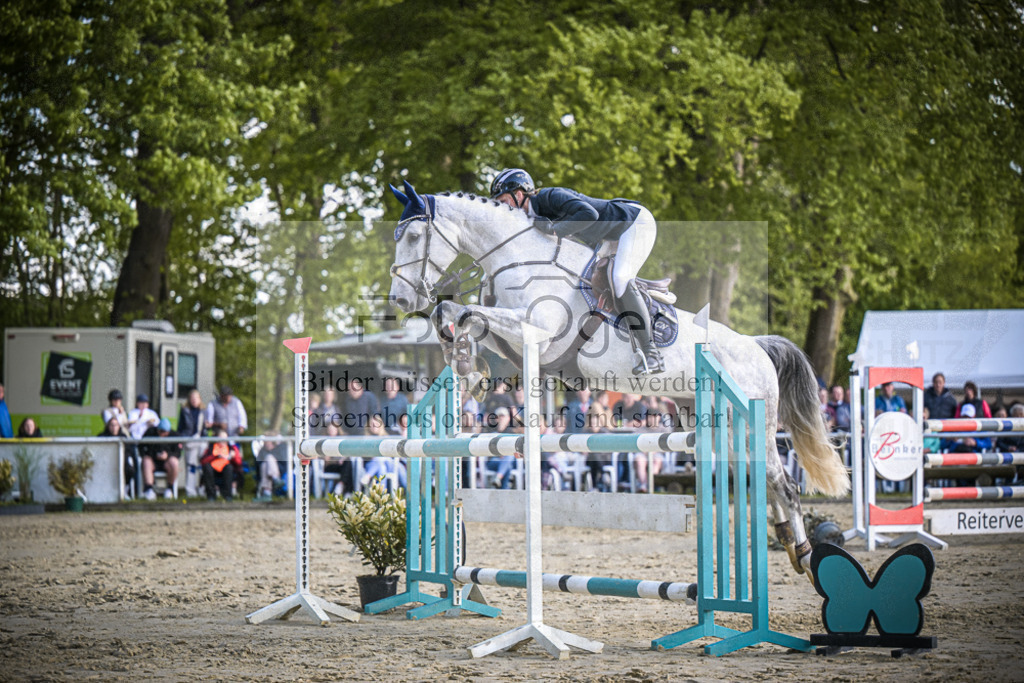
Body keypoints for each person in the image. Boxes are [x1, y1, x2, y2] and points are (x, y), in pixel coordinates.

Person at [490, 168, 663, 375]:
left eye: (502, 201)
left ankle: (652, 354)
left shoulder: (550, 197)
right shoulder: (529, 219)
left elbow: (590, 214)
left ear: (518, 195)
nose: (501, 208)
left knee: (620, 278)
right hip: (608, 237)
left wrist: (555, 229)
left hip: (633, 223)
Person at [359, 415, 408, 490]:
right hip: (371, 464)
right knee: (381, 467)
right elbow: (363, 456)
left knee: (381, 459)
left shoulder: (387, 437)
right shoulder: (365, 439)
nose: (375, 426)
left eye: (377, 424)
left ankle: (368, 476)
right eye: (372, 424)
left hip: (388, 463)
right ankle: (382, 495)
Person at [140, 418, 181, 500]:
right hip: (152, 460)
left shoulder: (175, 436)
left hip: (166, 462)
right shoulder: (150, 432)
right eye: (160, 432)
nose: (162, 434)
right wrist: (153, 455)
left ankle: (170, 488)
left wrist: (168, 455)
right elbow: (141, 447)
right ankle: (149, 489)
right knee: (146, 461)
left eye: (164, 432)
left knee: (174, 462)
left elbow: (178, 452)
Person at [200, 429, 241, 501]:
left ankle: (228, 495)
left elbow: (238, 463)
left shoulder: (231, 448)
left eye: (225, 438)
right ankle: (211, 496)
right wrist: (216, 455)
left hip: (226, 469)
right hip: (213, 469)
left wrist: (233, 456)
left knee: (229, 468)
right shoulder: (211, 447)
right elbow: (203, 461)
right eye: (221, 438)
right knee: (207, 467)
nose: (223, 440)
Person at [178, 389, 206, 497]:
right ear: (189, 400)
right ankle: (190, 491)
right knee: (191, 465)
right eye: (192, 398)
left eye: (196, 398)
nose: (194, 400)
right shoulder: (184, 410)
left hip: (201, 439)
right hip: (189, 440)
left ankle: (203, 488)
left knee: (205, 462)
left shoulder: (204, 411)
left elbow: (205, 428)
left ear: (200, 399)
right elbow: (180, 427)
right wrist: (180, 440)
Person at [98, 416, 135, 497]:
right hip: (106, 463)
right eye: (112, 425)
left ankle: (125, 490)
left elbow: (129, 451)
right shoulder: (102, 437)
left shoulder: (123, 437)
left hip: (122, 462)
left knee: (129, 470)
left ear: (119, 426)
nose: (114, 428)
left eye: (116, 425)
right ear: (108, 426)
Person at [485, 407, 518, 489]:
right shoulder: (491, 433)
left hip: (507, 459)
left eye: (503, 416)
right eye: (499, 416)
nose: (501, 419)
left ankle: (498, 479)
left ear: (508, 418)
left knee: (509, 458)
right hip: (494, 460)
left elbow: (516, 451)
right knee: (508, 462)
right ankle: (504, 489)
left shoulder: (512, 433)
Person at [256, 432, 290, 499]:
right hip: (266, 472)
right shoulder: (262, 450)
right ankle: (275, 479)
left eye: (267, 440)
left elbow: (284, 461)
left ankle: (267, 492)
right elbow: (258, 463)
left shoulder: (281, 448)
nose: (266, 442)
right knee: (264, 465)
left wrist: (271, 457)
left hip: (280, 470)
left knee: (269, 457)